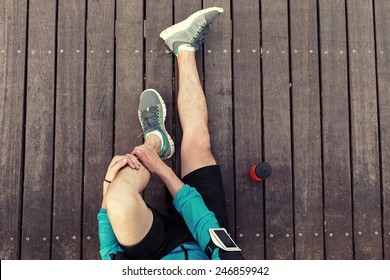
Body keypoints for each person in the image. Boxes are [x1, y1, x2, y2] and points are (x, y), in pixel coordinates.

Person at [98, 7, 244, 260]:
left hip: (154, 254)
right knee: (199, 142)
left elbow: (111, 253)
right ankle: (183, 45)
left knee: (119, 199)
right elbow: (206, 228)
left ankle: (154, 141)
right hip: (202, 244)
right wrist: (162, 170)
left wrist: (108, 191)